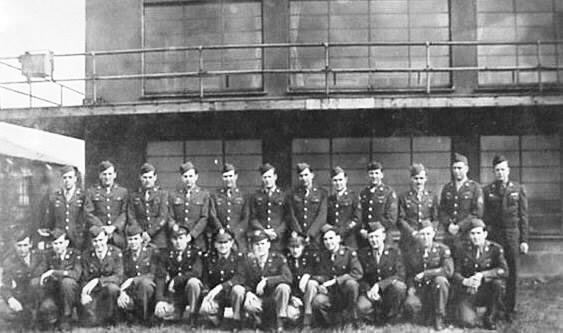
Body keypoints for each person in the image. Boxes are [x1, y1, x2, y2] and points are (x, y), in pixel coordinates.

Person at [483, 154, 529, 322]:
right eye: (497, 170)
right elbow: (485, 216)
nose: (500, 173)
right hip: (495, 235)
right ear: (493, 172)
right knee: (496, 271)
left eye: (503, 169)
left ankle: (510, 309)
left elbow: (523, 217)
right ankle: (496, 307)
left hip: (512, 235)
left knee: (513, 273)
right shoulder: (488, 191)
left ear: (508, 171)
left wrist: (524, 240)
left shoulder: (518, 189)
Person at [231, 230, 292, 332]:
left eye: (263, 244)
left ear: (268, 244)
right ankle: (248, 322)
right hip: (256, 298)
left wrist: (267, 281)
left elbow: (288, 277)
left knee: (284, 287)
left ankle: (280, 323)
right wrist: (248, 292)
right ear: (252, 246)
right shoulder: (247, 260)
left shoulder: (278, 259)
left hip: (273, 299)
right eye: (257, 244)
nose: (260, 247)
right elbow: (241, 279)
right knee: (246, 302)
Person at [453, 218, 508, 330]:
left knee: (497, 284)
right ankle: (471, 312)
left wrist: (482, 275)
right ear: (469, 235)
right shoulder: (461, 249)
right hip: (468, 291)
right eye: (472, 233)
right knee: (468, 323)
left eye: (479, 233)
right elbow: (455, 273)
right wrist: (465, 281)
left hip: (487, 289)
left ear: (485, 234)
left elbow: (504, 270)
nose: (476, 236)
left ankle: (490, 316)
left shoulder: (495, 249)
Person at [403, 220, 453, 331]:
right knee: (411, 305)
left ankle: (439, 317)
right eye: (422, 234)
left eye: (428, 234)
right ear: (418, 235)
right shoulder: (412, 252)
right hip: (420, 289)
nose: (425, 237)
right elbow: (409, 273)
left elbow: (448, 270)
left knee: (441, 281)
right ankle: (423, 314)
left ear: (433, 234)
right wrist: (410, 287)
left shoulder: (442, 249)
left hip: (436, 290)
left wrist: (426, 274)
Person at [311, 224, 363, 327]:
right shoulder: (323, 255)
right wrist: (322, 284)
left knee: (351, 284)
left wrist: (337, 280)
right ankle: (332, 322)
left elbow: (358, 272)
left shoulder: (349, 253)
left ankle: (352, 318)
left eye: (331, 238)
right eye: (325, 239)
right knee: (317, 301)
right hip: (331, 294)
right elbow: (321, 274)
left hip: (346, 293)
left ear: (338, 238)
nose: (328, 242)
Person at [357, 222, 406, 325]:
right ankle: (375, 317)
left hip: (389, 290)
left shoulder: (394, 252)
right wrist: (368, 290)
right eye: (371, 237)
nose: (374, 240)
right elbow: (360, 277)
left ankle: (390, 318)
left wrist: (380, 285)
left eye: (376, 236)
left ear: (383, 236)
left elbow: (400, 275)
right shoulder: (362, 254)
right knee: (361, 307)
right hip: (370, 291)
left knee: (399, 287)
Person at [154, 224, 203, 326]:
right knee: (162, 313)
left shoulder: (195, 253)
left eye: (181, 238)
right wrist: (159, 300)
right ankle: (176, 312)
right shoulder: (165, 255)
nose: (178, 242)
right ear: (171, 240)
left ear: (188, 238)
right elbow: (160, 276)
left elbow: (197, 272)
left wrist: (177, 280)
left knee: (194, 282)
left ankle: (193, 315)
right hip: (174, 295)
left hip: (189, 292)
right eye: (175, 239)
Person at [438, 153, 484, 255]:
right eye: (454, 168)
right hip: (449, 234)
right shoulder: (447, 188)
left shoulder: (475, 188)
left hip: (467, 234)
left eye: (459, 168)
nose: (456, 171)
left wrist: (459, 226)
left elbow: (477, 212)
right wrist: (449, 224)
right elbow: (442, 210)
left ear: (466, 169)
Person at [199, 228, 244, 331]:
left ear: (231, 243)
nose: (223, 246)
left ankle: (236, 320)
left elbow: (240, 277)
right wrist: (206, 295)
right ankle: (216, 317)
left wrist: (221, 287)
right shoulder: (208, 258)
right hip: (217, 296)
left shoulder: (239, 258)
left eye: (226, 242)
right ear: (215, 244)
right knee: (206, 309)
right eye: (219, 243)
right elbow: (205, 279)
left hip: (231, 294)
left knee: (238, 290)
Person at [0, 230, 46, 330]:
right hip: (20, 297)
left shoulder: (39, 257)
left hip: (38, 296)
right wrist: (10, 299)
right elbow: (4, 285)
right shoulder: (9, 261)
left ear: (30, 245)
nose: (22, 249)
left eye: (25, 245)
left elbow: (40, 273)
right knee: (5, 312)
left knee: (48, 307)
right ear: (15, 246)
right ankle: (23, 319)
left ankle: (38, 317)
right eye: (19, 246)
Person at [80, 225, 124, 326]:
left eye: (101, 240)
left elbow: (118, 277)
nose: (99, 244)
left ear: (106, 238)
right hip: (93, 292)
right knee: (91, 322)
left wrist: (98, 281)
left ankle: (111, 318)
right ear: (91, 241)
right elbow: (84, 278)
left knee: (112, 288)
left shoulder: (116, 253)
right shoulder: (86, 255)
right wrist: (84, 294)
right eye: (95, 241)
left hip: (108, 290)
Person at [39, 228, 82, 331]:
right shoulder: (48, 255)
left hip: (72, 294)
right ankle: (51, 318)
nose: (58, 246)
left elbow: (76, 274)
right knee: (46, 306)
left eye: (60, 243)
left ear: (66, 243)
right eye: (55, 243)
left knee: (67, 282)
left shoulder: (75, 254)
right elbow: (42, 272)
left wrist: (54, 272)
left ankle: (67, 318)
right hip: (55, 292)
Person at [117, 224, 158, 325]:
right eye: (130, 239)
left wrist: (134, 280)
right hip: (131, 290)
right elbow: (122, 276)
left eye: (136, 239)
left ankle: (145, 317)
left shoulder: (151, 252)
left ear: (141, 239)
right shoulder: (125, 255)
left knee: (145, 284)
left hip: (149, 290)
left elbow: (153, 274)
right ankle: (132, 315)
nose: (133, 242)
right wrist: (122, 292)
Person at [397, 163, 439, 259]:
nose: (419, 182)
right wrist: (413, 233)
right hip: (409, 238)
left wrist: (431, 231)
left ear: (426, 179)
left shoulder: (432, 196)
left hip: (427, 238)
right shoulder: (404, 197)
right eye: (416, 178)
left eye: (421, 178)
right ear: (411, 179)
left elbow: (436, 218)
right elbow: (400, 219)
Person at [84, 160, 128, 249]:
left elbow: (125, 212)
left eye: (110, 174)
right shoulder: (91, 192)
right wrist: (102, 227)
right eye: (104, 174)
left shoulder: (122, 192)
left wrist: (114, 227)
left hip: (117, 235)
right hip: (98, 235)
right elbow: (88, 213)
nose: (107, 177)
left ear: (115, 175)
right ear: (100, 175)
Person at [168, 161, 210, 251]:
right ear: (182, 178)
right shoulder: (174, 195)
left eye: (191, 176)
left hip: (197, 239)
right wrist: (174, 227)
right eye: (185, 176)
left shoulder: (204, 194)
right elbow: (170, 216)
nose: (188, 179)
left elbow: (204, 217)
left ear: (196, 177)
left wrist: (192, 234)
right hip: (179, 239)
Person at [248, 163, 290, 251]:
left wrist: (277, 232)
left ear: (275, 177)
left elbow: (287, 218)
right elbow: (253, 217)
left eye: (269, 177)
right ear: (261, 178)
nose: (267, 180)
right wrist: (264, 231)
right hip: (261, 237)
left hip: (278, 238)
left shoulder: (284, 195)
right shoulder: (255, 196)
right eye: (265, 177)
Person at [127, 162, 169, 249]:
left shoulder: (162, 194)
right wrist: (140, 233)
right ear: (140, 178)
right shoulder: (134, 195)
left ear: (155, 178)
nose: (147, 180)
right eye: (145, 177)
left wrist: (149, 233)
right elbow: (131, 216)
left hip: (158, 238)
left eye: (150, 177)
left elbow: (163, 216)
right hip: (139, 237)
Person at [44, 165, 86, 250]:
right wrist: (53, 233)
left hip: (77, 239)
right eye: (65, 178)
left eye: (70, 177)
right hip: (60, 239)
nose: (67, 180)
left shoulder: (82, 196)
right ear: (61, 180)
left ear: (75, 179)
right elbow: (50, 219)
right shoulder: (55, 197)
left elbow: (86, 217)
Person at [285, 232, 321, 330]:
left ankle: (307, 322)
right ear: (288, 248)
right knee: (291, 315)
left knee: (311, 283)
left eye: (298, 247)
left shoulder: (310, 259)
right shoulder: (287, 261)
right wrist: (292, 297)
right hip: (295, 298)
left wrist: (307, 275)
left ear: (303, 247)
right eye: (292, 247)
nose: (295, 250)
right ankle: (301, 318)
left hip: (310, 297)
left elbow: (318, 272)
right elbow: (286, 281)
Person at [209, 163, 249, 251]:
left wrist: (235, 233)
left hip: (238, 238)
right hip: (221, 238)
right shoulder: (215, 195)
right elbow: (213, 215)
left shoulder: (244, 195)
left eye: (231, 176)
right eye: (225, 176)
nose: (228, 179)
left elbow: (246, 218)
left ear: (236, 176)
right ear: (222, 178)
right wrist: (220, 230)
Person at [288, 163, 328, 248]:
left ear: (312, 175)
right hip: (298, 237)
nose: (304, 178)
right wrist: (299, 232)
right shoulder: (293, 193)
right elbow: (291, 214)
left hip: (316, 236)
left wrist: (310, 234)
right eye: (301, 176)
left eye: (306, 175)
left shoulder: (322, 193)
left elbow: (322, 216)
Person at [358, 161, 397, 248]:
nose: (374, 176)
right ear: (368, 175)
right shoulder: (364, 193)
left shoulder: (388, 192)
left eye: (377, 173)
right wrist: (362, 229)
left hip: (384, 234)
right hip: (367, 235)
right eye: (371, 173)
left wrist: (380, 230)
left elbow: (392, 217)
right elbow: (360, 214)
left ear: (382, 175)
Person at [327, 166, 362, 249]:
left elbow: (357, 220)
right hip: (333, 242)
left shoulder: (354, 197)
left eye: (340, 180)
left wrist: (341, 233)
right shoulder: (330, 199)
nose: (338, 183)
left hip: (349, 240)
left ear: (346, 180)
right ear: (332, 182)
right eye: (335, 180)